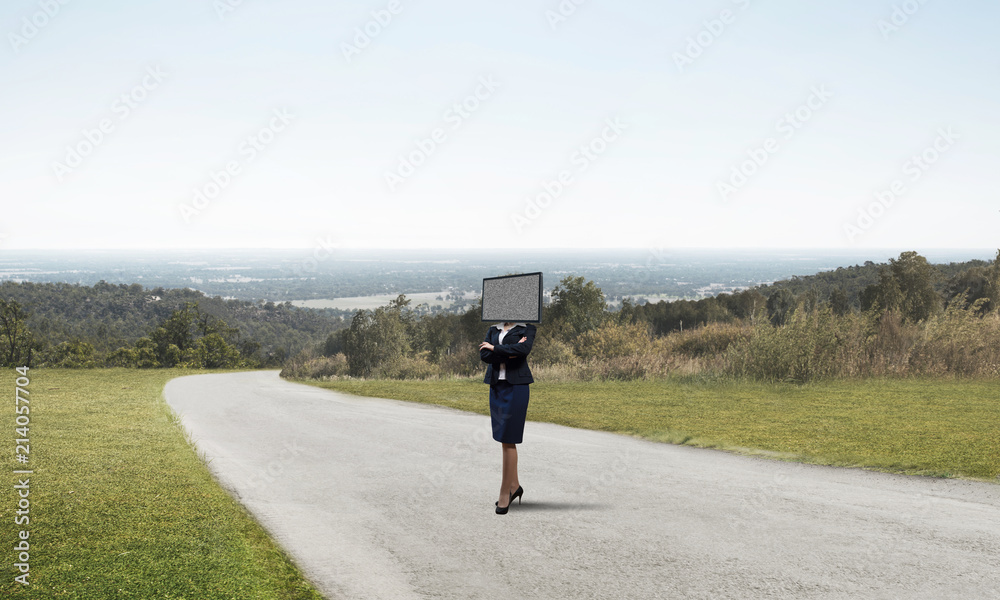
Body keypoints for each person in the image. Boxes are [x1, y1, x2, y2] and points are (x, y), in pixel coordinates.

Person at [479, 321, 536, 515]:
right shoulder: (493, 328)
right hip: (497, 386)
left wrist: (495, 348)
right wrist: (509, 352)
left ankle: (505, 493)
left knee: (509, 439)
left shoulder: (527, 328)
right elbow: (484, 355)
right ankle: (515, 486)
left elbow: (523, 350)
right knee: (503, 439)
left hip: (517, 388)